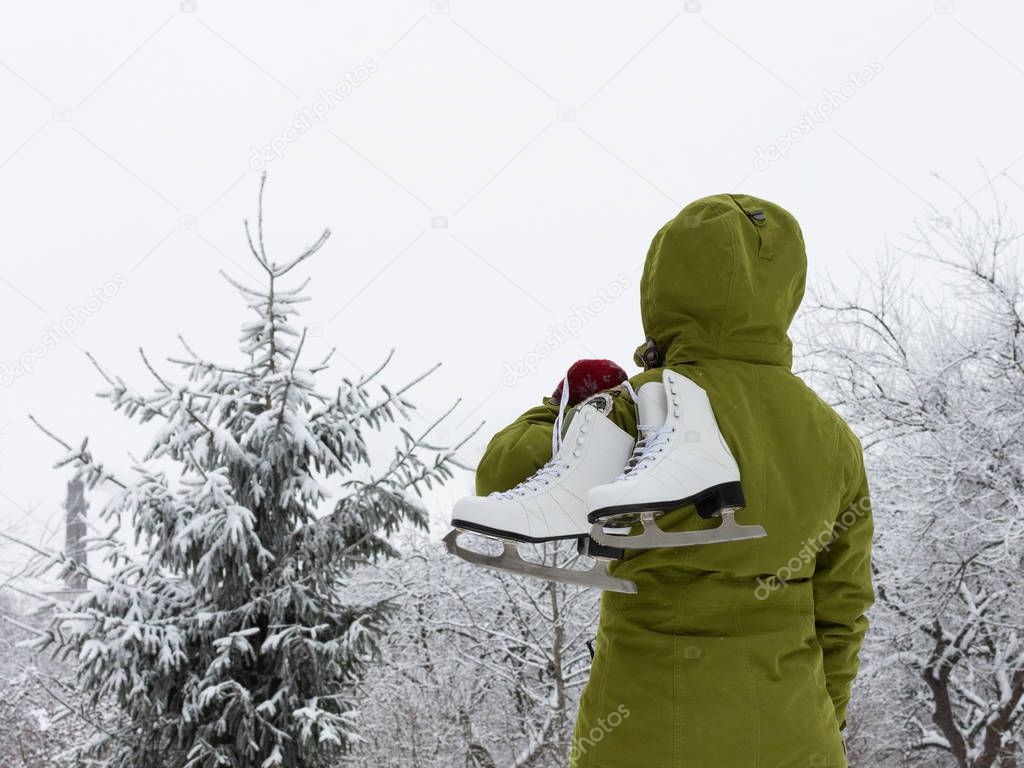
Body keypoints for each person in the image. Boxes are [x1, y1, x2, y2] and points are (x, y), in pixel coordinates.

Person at [473, 194, 874, 767]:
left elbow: (503, 479)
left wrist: (560, 408)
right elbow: (843, 606)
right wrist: (817, 718)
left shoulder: (641, 403)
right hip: (792, 735)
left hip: (639, 732)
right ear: (785, 289)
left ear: (664, 284)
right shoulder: (835, 440)